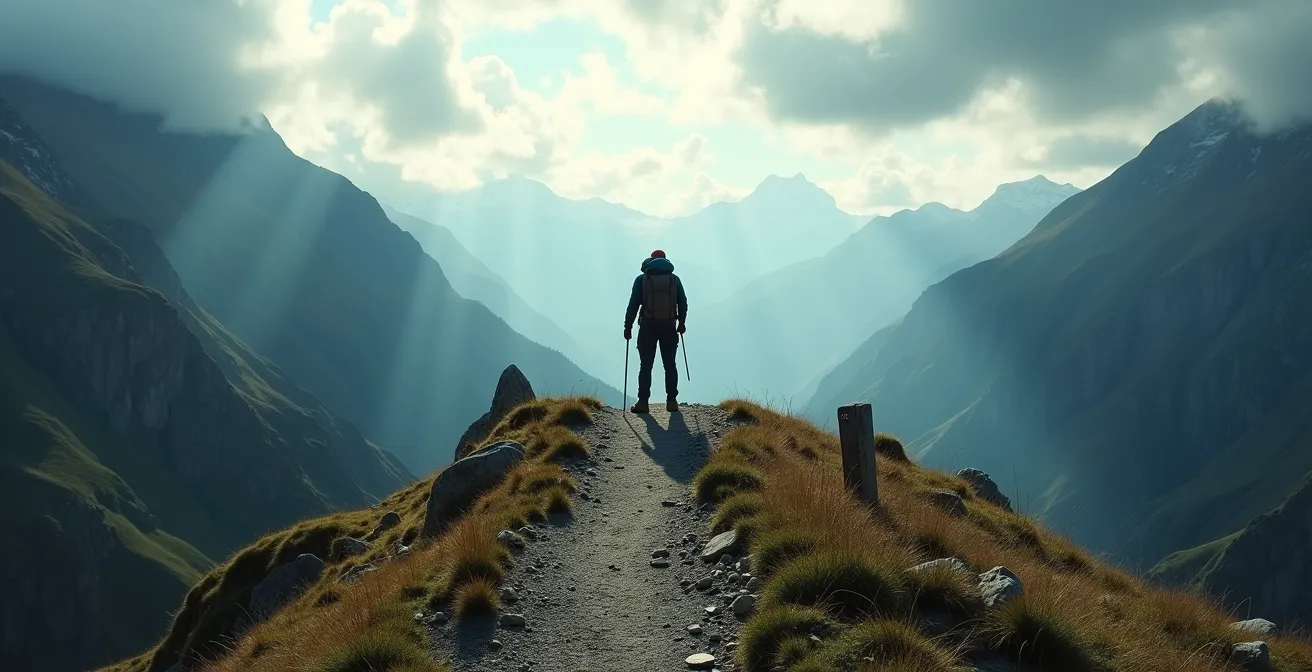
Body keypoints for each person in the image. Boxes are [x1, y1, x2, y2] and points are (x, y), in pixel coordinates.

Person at [624, 249, 687, 413]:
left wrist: (628, 327)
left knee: (646, 365)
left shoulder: (642, 279)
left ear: (650, 260)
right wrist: (682, 323)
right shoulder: (674, 280)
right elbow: (683, 302)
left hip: (647, 327)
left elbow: (633, 305)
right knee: (670, 365)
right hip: (669, 326)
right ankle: (672, 401)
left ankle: (643, 402)